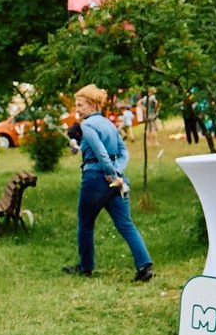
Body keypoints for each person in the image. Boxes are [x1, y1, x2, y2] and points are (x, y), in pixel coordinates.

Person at [63, 84, 153, 282]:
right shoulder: (109, 124)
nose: (77, 109)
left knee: (85, 224)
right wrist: (118, 175)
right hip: (116, 180)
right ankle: (144, 266)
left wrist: (111, 174)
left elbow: (101, 153)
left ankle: (85, 266)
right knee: (125, 224)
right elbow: (123, 152)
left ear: (92, 104)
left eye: (80, 105)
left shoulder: (87, 125)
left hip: (96, 179)